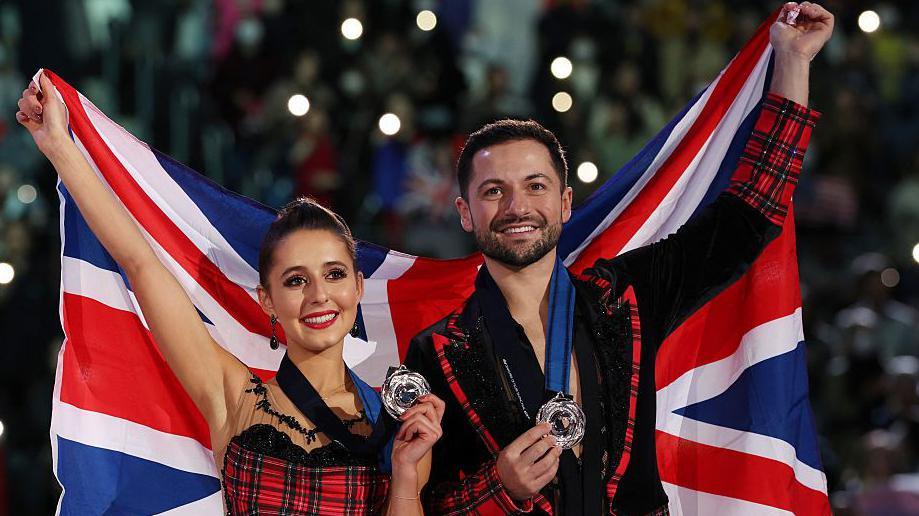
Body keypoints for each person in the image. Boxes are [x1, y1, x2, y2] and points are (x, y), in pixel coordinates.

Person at [403, 2, 834, 514]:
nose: (517, 207)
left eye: (535, 186)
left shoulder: (626, 295)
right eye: (494, 191)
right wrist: (499, 489)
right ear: (465, 213)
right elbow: (419, 502)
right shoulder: (437, 353)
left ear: (564, 203)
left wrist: (792, 62)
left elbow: (748, 219)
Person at [17, 74, 444, 515]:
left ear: (357, 287)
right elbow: (141, 265)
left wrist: (407, 475)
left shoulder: (397, 426)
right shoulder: (231, 394)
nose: (319, 295)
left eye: (333, 275)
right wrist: (59, 147)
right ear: (267, 299)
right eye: (296, 280)